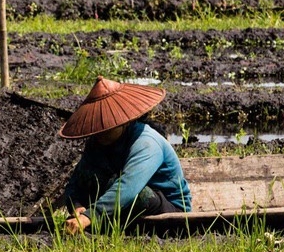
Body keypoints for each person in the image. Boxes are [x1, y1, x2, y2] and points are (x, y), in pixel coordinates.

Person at [60, 76, 191, 234]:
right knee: (91, 177)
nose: (102, 133)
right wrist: (76, 206)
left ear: (123, 121)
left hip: (169, 208)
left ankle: (103, 224)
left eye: (108, 127)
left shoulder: (146, 142)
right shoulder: (96, 142)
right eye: (98, 128)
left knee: (140, 195)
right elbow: (76, 181)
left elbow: (129, 186)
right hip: (123, 201)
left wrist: (90, 216)